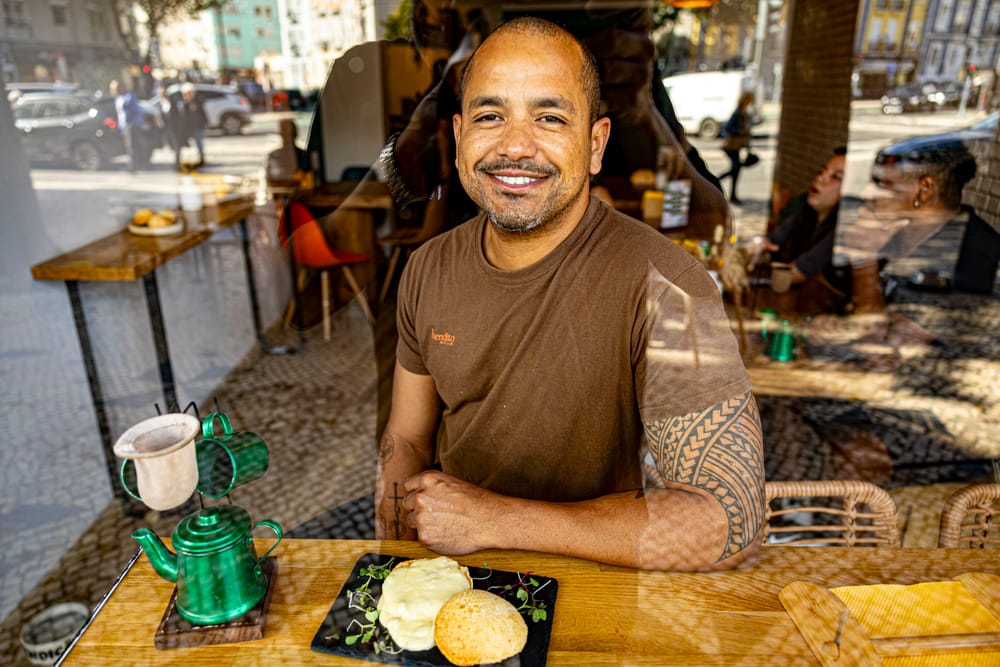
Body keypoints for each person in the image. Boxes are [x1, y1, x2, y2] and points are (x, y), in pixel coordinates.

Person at [375, 17, 765, 572]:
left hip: (598, 586)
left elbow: (730, 521)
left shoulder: (665, 285)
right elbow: (406, 440)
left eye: (550, 117)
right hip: (452, 583)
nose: (514, 146)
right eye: (490, 116)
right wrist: (393, 562)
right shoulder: (427, 268)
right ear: (460, 139)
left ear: (595, 143)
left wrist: (497, 521)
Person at [757, 147, 850, 314]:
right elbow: (769, 242)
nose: (820, 178)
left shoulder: (843, 233)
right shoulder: (804, 212)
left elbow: (792, 274)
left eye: (836, 177)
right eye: (823, 171)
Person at [717, 91, 754, 204]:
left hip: (738, 147)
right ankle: (715, 181)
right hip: (731, 146)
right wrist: (740, 131)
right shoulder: (738, 112)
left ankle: (732, 194)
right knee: (735, 169)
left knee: (736, 170)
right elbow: (728, 128)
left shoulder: (744, 112)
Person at [109, 79, 145, 172]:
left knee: (132, 146)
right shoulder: (117, 99)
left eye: (115, 88)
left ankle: (134, 166)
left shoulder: (129, 97)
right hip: (124, 125)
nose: (113, 90)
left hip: (131, 125)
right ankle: (134, 164)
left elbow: (135, 111)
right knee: (128, 146)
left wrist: (132, 122)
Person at [177, 83, 207, 167]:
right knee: (186, 144)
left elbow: (202, 113)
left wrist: (205, 122)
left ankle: (201, 158)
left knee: (199, 143)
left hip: (197, 126)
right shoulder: (183, 104)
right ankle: (186, 160)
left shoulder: (197, 102)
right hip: (187, 128)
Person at [154, 85, 182, 171]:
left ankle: (177, 164)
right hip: (165, 129)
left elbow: (178, 116)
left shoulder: (173, 103)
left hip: (174, 128)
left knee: (177, 146)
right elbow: (158, 116)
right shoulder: (159, 104)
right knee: (169, 147)